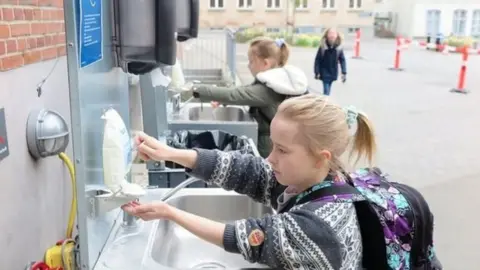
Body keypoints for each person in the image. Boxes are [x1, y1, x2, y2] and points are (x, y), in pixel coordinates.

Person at [123, 94, 375, 269]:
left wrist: (170, 213)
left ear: (321, 157)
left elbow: (243, 237)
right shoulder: (316, 179)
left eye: (282, 150)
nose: (270, 157)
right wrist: (169, 153)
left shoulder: (319, 226)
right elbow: (245, 170)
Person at [187, 37, 308, 158]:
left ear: (265, 63)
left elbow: (235, 94)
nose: (248, 66)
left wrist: (197, 90)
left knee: (266, 173)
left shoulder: (269, 89)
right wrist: (222, 101)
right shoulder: (279, 82)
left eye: (251, 61)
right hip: (280, 140)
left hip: (269, 146)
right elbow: (247, 92)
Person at [314, 28, 347, 96]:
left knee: (328, 88)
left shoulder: (339, 47)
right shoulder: (323, 46)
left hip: (333, 72)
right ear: (327, 35)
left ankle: (325, 101)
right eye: (330, 33)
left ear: (337, 35)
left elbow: (342, 60)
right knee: (326, 90)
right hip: (324, 71)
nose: (332, 35)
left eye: (334, 33)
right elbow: (317, 60)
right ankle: (325, 102)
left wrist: (344, 72)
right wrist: (317, 72)